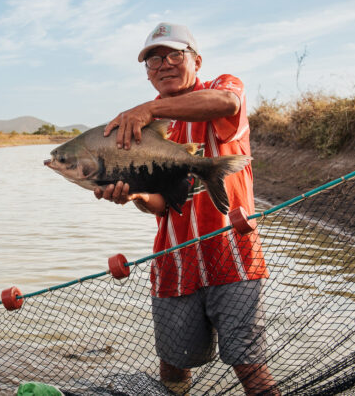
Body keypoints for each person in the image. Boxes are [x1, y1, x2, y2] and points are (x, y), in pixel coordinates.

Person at [94, 22, 277, 395]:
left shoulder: (222, 88)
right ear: (147, 73)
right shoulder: (156, 131)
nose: (163, 65)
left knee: (250, 366)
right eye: (152, 60)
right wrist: (134, 197)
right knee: (173, 368)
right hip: (174, 264)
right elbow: (163, 205)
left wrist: (147, 109)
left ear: (196, 60)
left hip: (232, 257)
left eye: (174, 55)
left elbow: (228, 104)